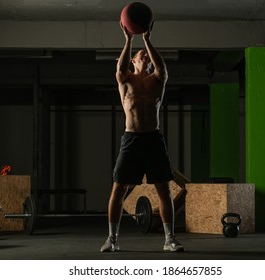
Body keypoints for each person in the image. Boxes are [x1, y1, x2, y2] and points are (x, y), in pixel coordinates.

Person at [100, 22, 184, 253]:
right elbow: (119, 70)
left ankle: (169, 240)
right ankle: (113, 240)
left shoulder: (157, 81)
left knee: (163, 190)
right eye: (140, 55)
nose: (144, 56)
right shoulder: (126, 81)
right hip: (132, 139)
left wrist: (146, 39)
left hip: (153, 139)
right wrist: (128, 40)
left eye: (146, 55)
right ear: (133, 62)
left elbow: (163, 68)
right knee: (118, 189)